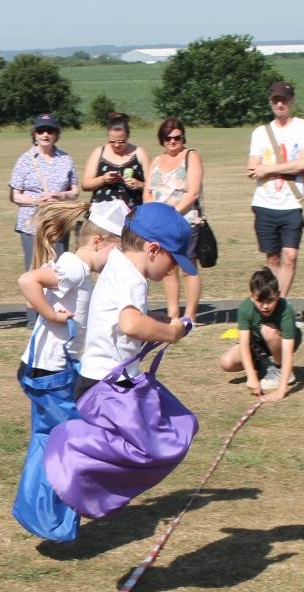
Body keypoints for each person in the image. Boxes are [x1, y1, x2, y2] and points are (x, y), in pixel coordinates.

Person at [74, 202, 195, 400]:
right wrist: (171, 333)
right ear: (153, 250)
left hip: (97, 380)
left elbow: (121, 320)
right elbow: (131, 324)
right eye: (174, 261)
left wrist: (150, 320)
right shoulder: (133, 278)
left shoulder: (118, 262)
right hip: (110, 386)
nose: (174, 269)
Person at [17, 199, 127, 387]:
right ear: (97, 242)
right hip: (49, 369)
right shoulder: (75, 267)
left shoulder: (79, 270)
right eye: (117, 250)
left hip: (57, 365)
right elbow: (27, 280)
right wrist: (52, 316)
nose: (119, 258)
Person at [247, 81, 304, 297]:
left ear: (291, 100)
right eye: (275, 99)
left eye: (283, 99)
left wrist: (268, 168)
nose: (280, 103)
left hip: (293, 203)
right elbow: (251, 169)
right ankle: (272, 301)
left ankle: (282, 303)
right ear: (270, 102)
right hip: (265, 203)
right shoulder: (260, 132)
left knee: (291, 255)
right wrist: (288, 167)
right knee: (272, 258)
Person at [9, 113, 78, 325]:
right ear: (35, 134)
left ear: (56, 134)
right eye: (41, 131)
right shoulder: (25, 160)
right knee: (35, 268)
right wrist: (36, 201)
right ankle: (34, 317)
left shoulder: (66, 159)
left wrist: (59, 196)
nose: (45, 134)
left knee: (58, 269)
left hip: (58, 223)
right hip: (31, 224)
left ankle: (58, 312)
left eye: (50, 130)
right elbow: (14, 195)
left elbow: (74, 191)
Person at [144, 117, 204, 322]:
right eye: (168, 138)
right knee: (168, 269)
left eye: (177, 137)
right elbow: (148, 192)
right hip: (161, 225)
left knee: (188, 268)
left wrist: (172, 214)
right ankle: (173, 315)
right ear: (162, 139)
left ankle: (190, 315)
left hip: (185, 220)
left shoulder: (191, 156)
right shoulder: (156, 161)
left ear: (183, 137)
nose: (173, 141)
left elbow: (193, 193)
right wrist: (152, 215)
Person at [220, 267, 301, 402]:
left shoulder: (286, 310)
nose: (265, 306)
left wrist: (281, 391)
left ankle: (281, 371)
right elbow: (244, 344)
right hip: (258, 345)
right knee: (226, 362)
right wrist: (251, 376)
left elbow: (288, 353)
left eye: (270, 300)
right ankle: (265, 366)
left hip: (280, 341)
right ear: (252, 296)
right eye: (259, 301)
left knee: (268, 330)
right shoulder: (245, 308)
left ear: (278, 294)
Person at [82, 112, 149, 212]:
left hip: (133, 216)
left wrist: (140, 185)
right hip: (101, 216)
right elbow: (85, 185)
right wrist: (103, 179)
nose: (116, 145)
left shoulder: (140, 153)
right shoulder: (99, 152)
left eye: (121, 141)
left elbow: (153, 186)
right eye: (112, 141)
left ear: (128, 136)